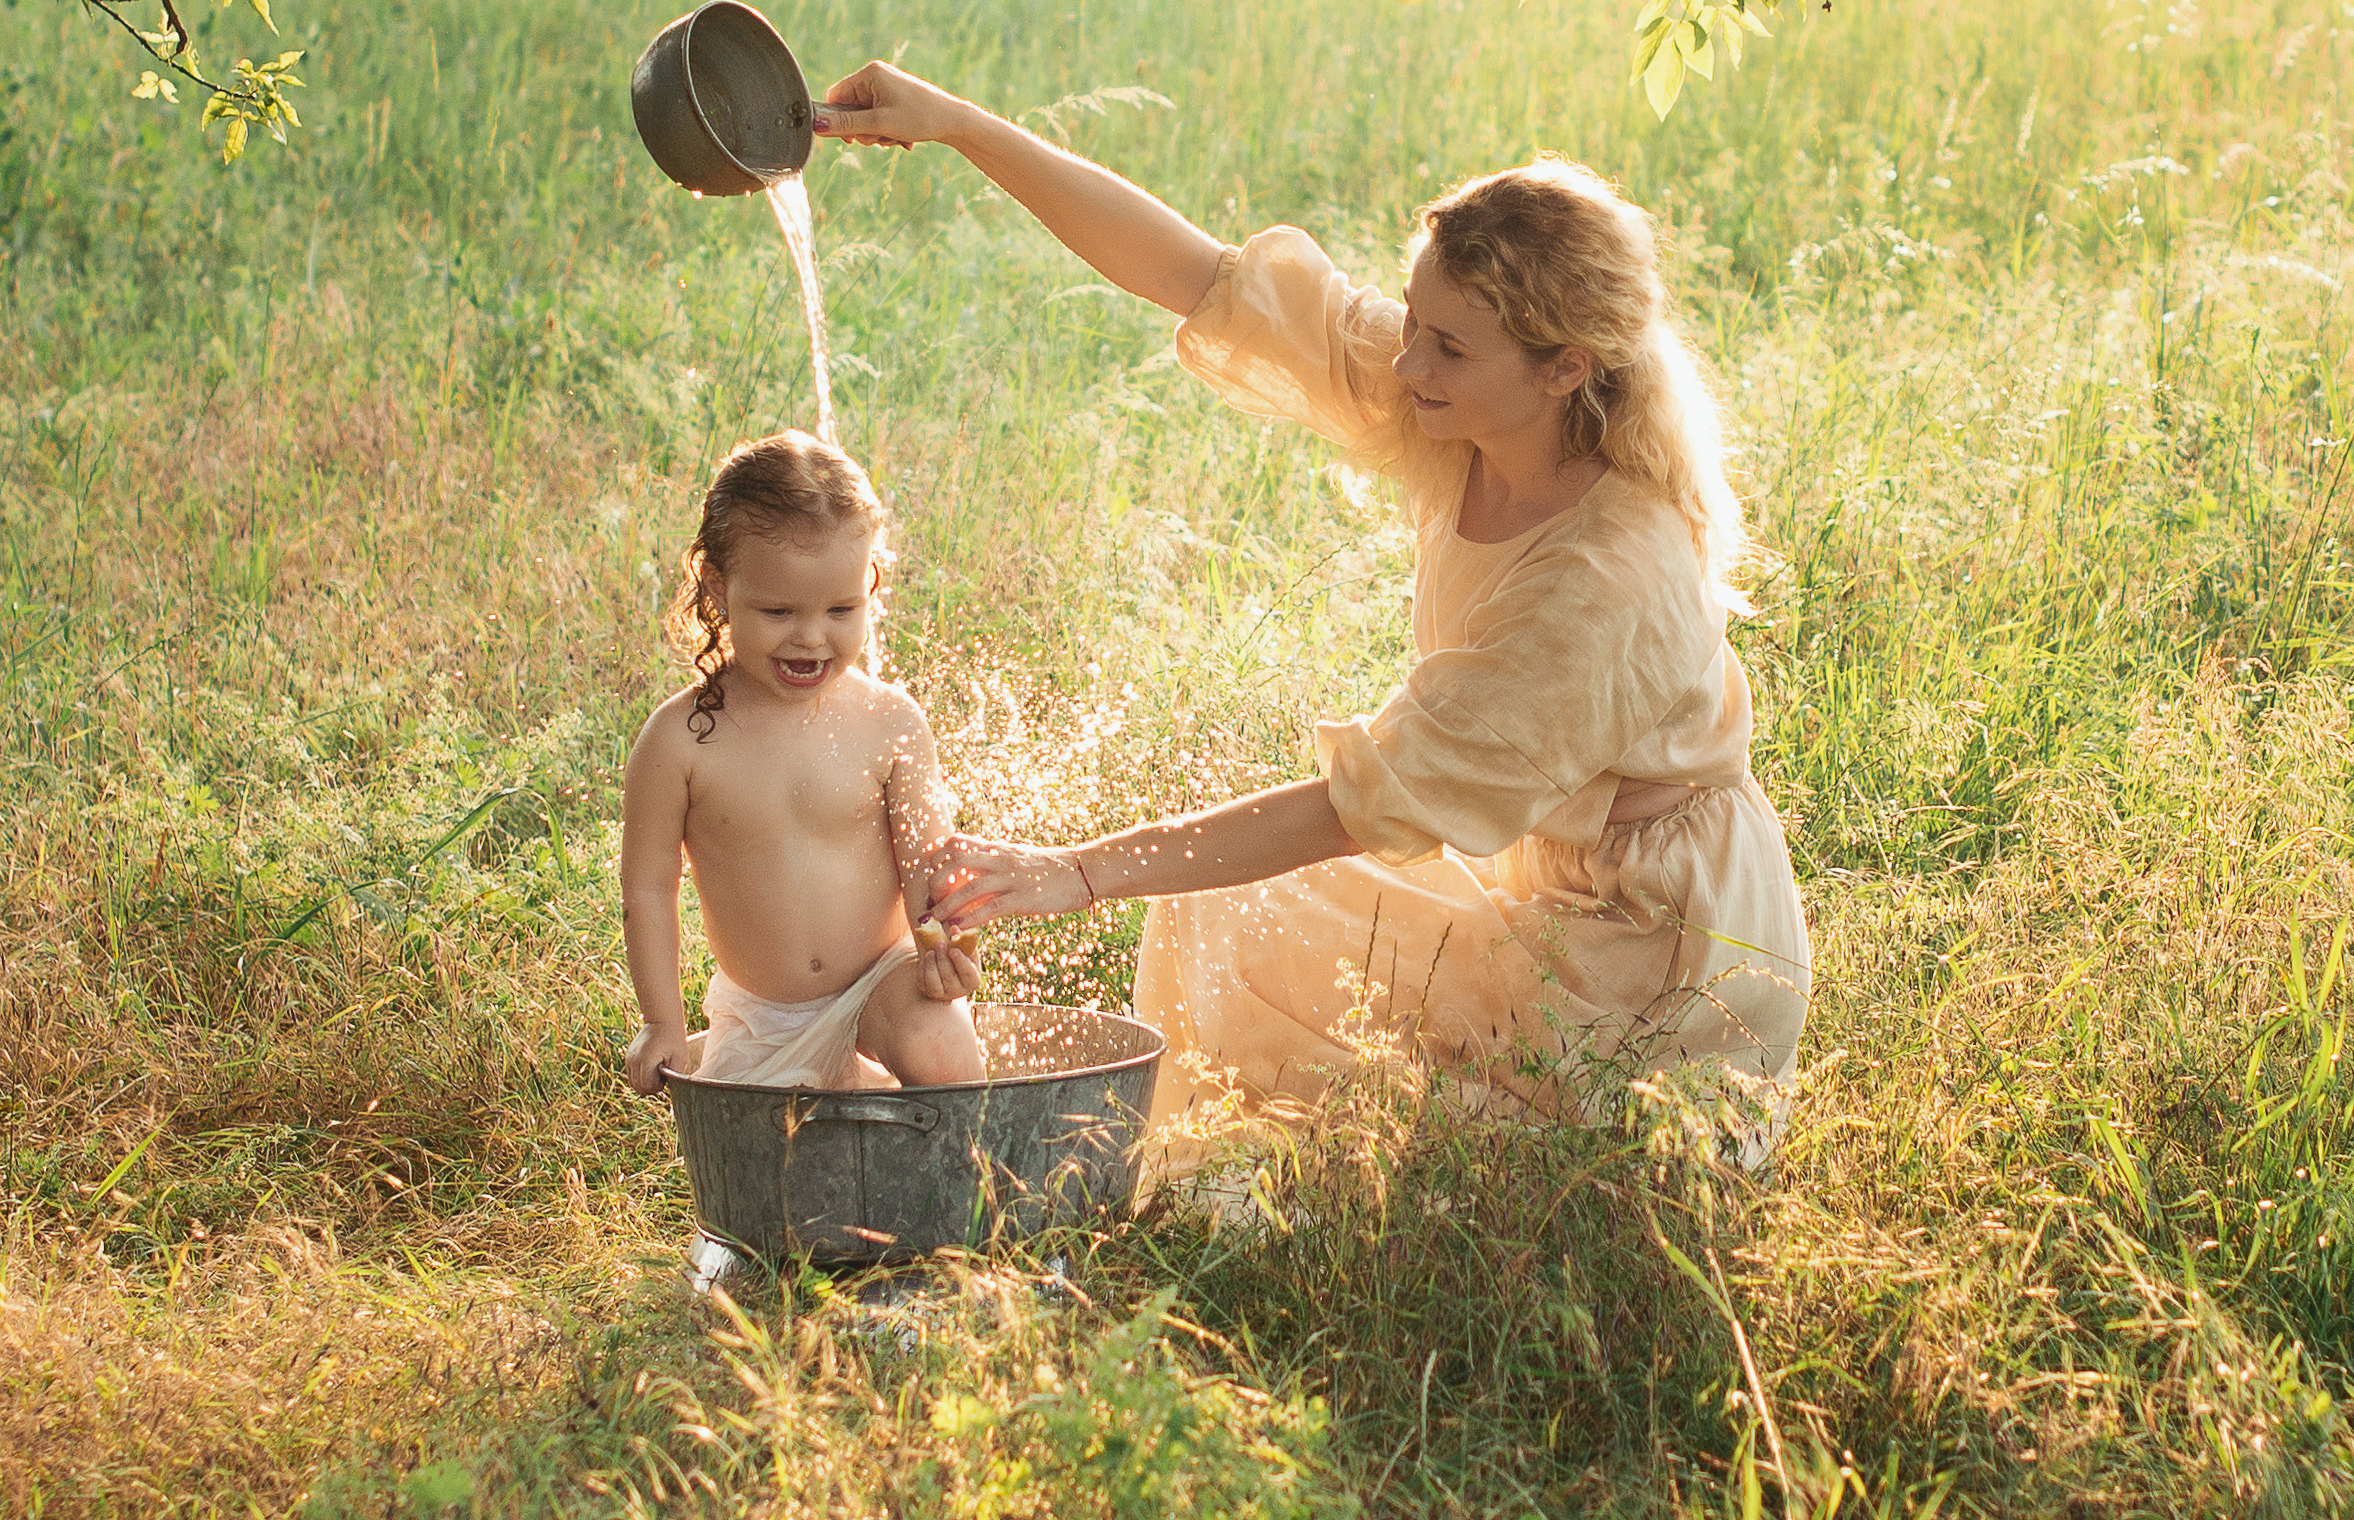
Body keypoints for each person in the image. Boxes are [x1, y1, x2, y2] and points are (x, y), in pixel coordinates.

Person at [816, 68, 1811, 1152]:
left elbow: (1360, 805)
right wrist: (962, 124)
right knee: (1219, 913)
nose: (1404, 359)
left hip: (1658, 964)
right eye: (1413, 321)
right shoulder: (1461, 401)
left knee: (1286, 979)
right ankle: (1233, 1162)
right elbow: (1198, 276)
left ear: (1563, 367)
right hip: (1549, 882)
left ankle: (1517, 1161)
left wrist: (1078, 871)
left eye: (1445, 346)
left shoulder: (1608, 576)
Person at [619, 431, 983, 1096]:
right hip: (766, 1016)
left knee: (942, 1045)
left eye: (841, 609)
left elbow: (931, 865)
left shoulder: (888, 722)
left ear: (871, 584)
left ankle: (957, 1177)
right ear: (719, 589)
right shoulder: (680, 741)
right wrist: (659, 1023)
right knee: (770, 1165)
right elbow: (648, 889)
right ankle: (863, 1097)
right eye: (779, 611)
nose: (812, 637)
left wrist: (949, 951)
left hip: (885, 980)